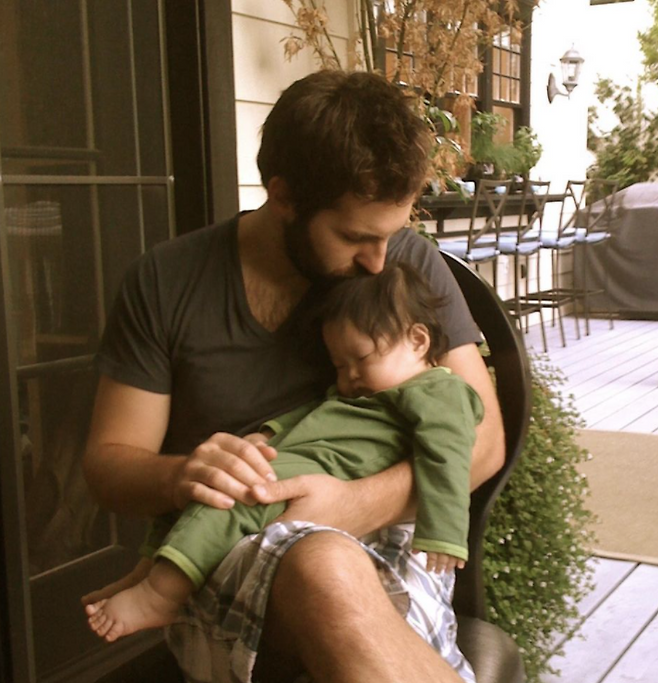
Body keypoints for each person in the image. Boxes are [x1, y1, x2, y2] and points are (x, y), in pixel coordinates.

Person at [82, 69, 504, 683]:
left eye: (391, 234)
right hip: (220, 552)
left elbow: (484, 440)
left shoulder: (402, 265)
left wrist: (354, 504)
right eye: (355, 236)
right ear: (283, 196)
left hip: (390, 550)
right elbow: (109, 465)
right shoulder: (166, 281)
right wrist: (182, 475)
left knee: (326, 559)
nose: (378, 261)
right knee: (322, 563)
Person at [84, 263, 483, 683]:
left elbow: (449, 454)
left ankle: (161, 594)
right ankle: (148, 571)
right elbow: (311, 416)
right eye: (339, 365)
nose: (350, 377)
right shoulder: (362, 396)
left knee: (239, 498)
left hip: (361, 504)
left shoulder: (438, 390)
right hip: (304, 466)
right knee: (204, 489)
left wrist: (444, 532)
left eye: (361, 359)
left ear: (418, 341)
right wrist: (265, 436)